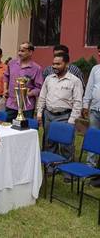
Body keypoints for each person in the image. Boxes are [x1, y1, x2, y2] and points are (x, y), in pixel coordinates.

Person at [37, 53, 83, 182]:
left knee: (66, 146)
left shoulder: (74, 81)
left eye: (58, 64)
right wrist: (40, 113)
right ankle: (51, 168)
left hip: (64, 116)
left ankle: (68, 172)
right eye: (53, 64)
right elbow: (42, 97)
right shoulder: (49, 79)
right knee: (49, 143)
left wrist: (71, 121)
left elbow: (78, 102)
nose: (54, 66)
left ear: (66, 64)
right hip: (49, 115)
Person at [3, 42, 43, 121]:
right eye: (19, 51)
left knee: (25, 130)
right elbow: (6, 76)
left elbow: (39, 88)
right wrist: (5, 89)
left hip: (27, 107)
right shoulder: (11, 63)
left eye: (22, 51)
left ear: (30, 52)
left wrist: (25, 94)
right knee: (8, 128)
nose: (19, 53)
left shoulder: (36, 68)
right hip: (11, 104)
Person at [83, 44, 100, 173]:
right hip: (95, 110)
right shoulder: (95, 69)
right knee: (93, 137)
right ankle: (90, 167)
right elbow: (89, 89)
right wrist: (85, 105)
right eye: (99, 52)